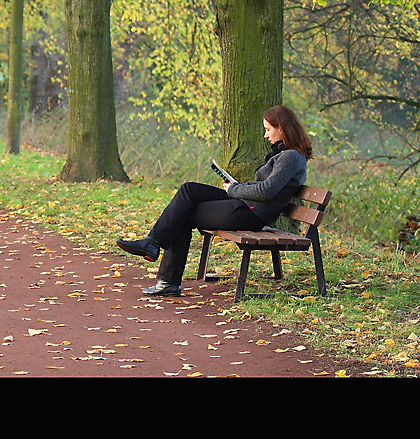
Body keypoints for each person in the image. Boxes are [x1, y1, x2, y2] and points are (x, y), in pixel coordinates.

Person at [116, 105, 313, 297]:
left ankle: (165, 274)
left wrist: (236, 188)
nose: (266, 135)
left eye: (268, 130)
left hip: (251, 213)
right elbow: (266, 187)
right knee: (189, 190)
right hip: (245, 203)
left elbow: (267, 191)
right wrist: (238, 186)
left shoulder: (291, 157)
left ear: (281, 128)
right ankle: (154, 247)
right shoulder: (284, 154)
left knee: (183, 214)